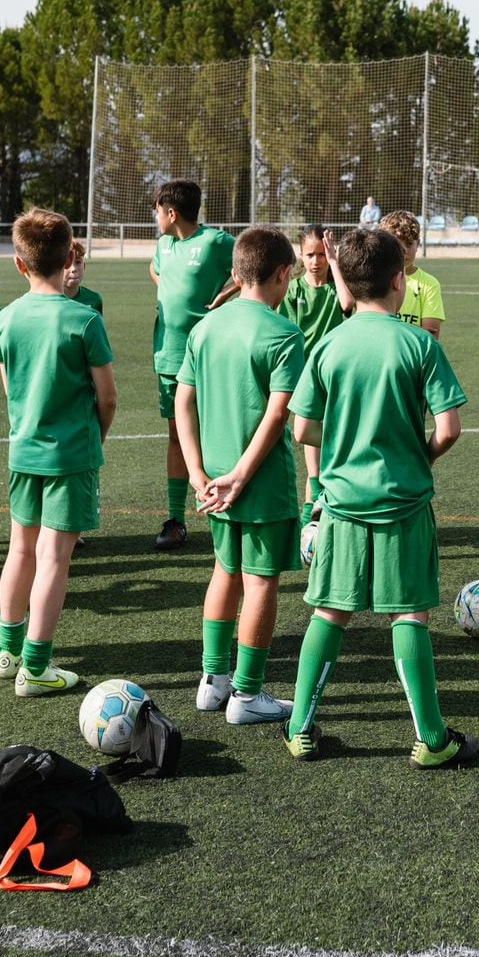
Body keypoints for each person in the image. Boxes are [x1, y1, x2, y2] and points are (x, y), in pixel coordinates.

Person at [284, 227, 475, 768]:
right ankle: (433, 740)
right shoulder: (419, 344)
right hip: (404, 505)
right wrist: (421, 455)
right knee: (409, 616)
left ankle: (299, 728)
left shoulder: (328, 344)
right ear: (399, 280)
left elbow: (302, 429)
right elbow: (450, 427)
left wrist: (343, 446)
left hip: (342, 505)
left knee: (329, 613)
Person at [179, 227, 306, 726]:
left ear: (235, 274)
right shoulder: (283, 332)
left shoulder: (205, 327)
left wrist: (198, 472)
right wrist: (241, 476)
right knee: (260, 584)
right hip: (260, 485)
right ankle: (248, 695)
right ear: (282, 274)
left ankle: (213, 682)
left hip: (212, 484)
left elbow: (183, 403)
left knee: (224, 572)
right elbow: (278, 416)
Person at [0, 209, 116, 697]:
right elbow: (107, 397)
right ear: (68, 258)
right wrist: (94, 437)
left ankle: (8, 651)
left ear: (20, 264)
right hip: (70, 456)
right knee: (54, 558)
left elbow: (9, 387)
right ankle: (36, 666)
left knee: (20, 548)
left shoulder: (9, 317)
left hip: (24, 452)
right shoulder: (83, 318)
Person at [149, 180, 237, 552]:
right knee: (177, 435)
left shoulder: (216, 243)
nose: (155, 218)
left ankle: (226, 509)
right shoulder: (164, 244)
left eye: (157, 211)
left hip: (208, 357)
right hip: (169, 356)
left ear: (171, 213)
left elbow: (255, 265)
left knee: (217, 434)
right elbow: (155, 271)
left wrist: (224, 295)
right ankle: (176, 519)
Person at [277, 224, 348, 518]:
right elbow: (284, 331)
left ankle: (326, 499)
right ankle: (312, 504)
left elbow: (348, 304)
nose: (316, 261)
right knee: (309, 434)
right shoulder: (293, 291)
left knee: (335, 435)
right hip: (306, 374)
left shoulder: (337, 288)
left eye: (321, 254)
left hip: (336, 372)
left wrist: (336, 262)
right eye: (310, 254)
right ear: (300, 256)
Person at [379, 210, 445, 338]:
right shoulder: (373, 278)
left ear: (418, 244)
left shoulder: (429, 284)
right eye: (397, 244)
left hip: (414, 356)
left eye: (409, 244)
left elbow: (431, 333)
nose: (404, 251)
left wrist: (392, 334)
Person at [64, 238, 104, 315]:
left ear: (84, 266)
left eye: (78, 262)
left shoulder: (94, 299)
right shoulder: (47, 301)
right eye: (67, 263)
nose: (73, 269)